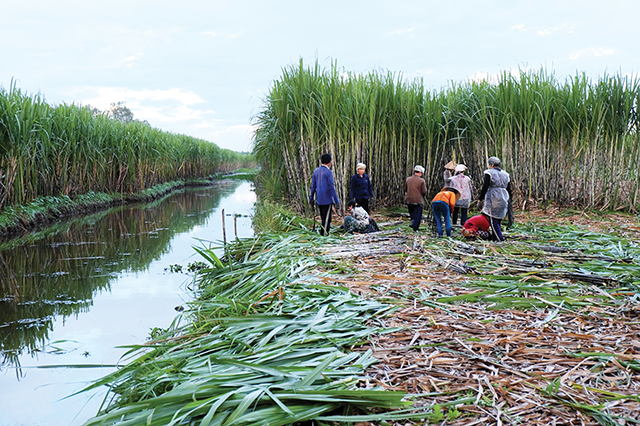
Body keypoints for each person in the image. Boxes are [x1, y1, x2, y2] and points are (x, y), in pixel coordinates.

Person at [478, 156, 512, 242]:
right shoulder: (505, 174)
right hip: (504, 197)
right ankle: (494, 238)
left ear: (491, 165)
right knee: (498, 220)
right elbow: (509, 189)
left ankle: (500, 240)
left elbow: (485, 186)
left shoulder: (489, 173)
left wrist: (480, 198)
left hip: (493, 198)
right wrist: (509, 199)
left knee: (493, 221)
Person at [309, 153, 340, 236]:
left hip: (319, 199)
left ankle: (323, 233)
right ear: (329, 162)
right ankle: (324, 234)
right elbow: (331, 187)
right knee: (327, 219)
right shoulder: (328, 172)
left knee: (323, 217)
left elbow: (313, 186)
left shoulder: (316, 171)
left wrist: (311, 197)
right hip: (327, 199)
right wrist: (336, 200)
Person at [405, 165, 428, 231]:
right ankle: (415, 227)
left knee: (412, 213)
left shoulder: (408, 179)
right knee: (418, 215)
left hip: (409, 199)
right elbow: (424, 191)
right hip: (418, 200)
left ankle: (412, 222)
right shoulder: (422, 181)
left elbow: (405, 189)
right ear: (420, 172)